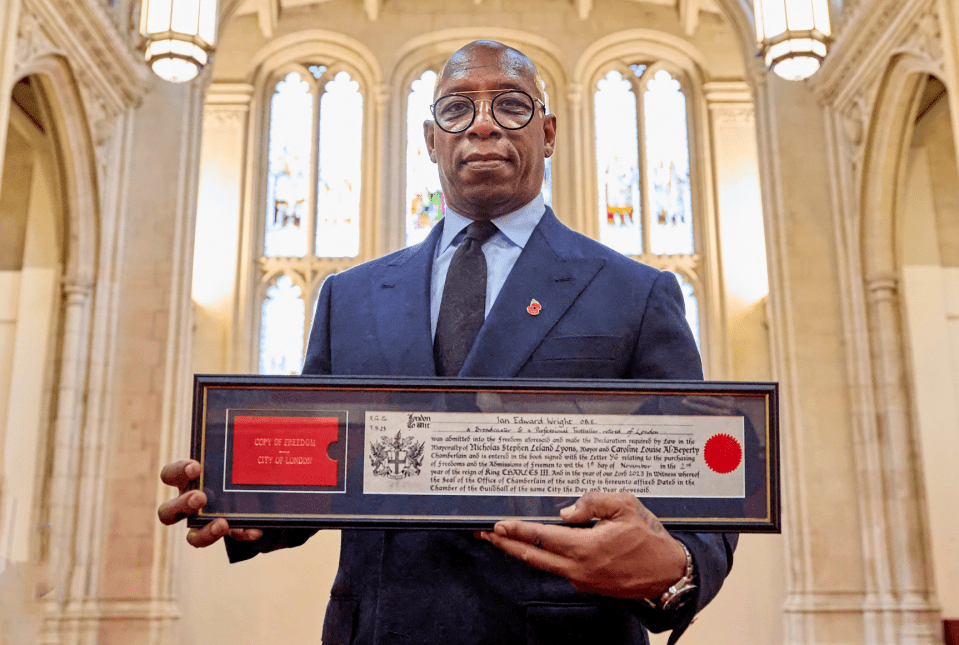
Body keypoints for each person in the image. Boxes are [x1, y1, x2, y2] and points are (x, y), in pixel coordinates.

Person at [159, 40, 737, 645]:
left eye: (511, 106)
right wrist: (247, 506)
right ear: (432, 139)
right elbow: (321, 468)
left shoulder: (635, 293)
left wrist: (678, 571)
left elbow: (704, 484)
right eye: (458, 109)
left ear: (548, 132)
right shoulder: (349, 297)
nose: (483, 124)